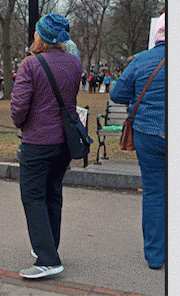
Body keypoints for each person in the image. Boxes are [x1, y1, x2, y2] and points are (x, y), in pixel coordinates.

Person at [11, 13, 81, 279]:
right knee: (53, 194)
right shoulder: (74, 62)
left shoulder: (31, 64)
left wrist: (21, 122)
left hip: (38, 142)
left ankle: (47, 259)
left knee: (33, 197)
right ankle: (50, 247)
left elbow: (19, 107)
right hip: (64, 141)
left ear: (40, 35)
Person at [110, 12, 165, 270]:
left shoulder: (142, 61)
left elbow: (117, 93)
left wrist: (137, 101)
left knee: (154, 192)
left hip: (149, 133)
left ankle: (155, 255)